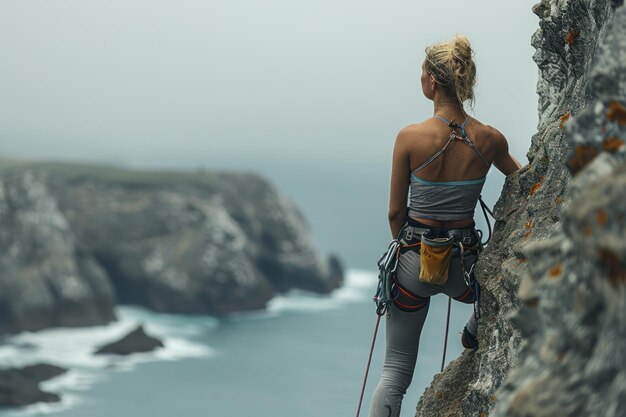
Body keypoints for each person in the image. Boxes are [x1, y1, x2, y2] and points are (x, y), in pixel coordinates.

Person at [368, 34, 521, 417]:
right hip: (464, 268)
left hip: (412, 263)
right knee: (495, 293)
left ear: (432, 82)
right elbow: (523, 184)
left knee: (395, 371)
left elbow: (394, 214)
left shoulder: (410, 138)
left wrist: (405, 258)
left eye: (422, 72)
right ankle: (473, 329)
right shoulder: (489, 138)